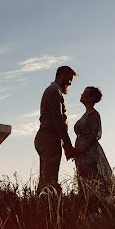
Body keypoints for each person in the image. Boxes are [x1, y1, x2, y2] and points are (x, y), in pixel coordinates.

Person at [34, 65, 77, 195]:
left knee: (46, 180)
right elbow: (57, 120)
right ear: (61, 75)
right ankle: (45, 210)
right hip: (49, 139)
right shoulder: (54, 92)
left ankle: (42, 208)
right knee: (49, 181)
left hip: (47, 139)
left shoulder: (53, 91)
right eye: (69, 79)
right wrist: (68, 145)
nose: (69, 83)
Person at [72, 86, 113, 197]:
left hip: (89, 152)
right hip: (81, 152)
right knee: (83, 178)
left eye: (84, 93)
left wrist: (79, 150)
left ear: (91, 98)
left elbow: (93, 136)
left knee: (91, 177)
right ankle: (87, 202)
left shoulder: (94, 115)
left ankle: (96, 203)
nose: (81, 94)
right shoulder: (85, 115)